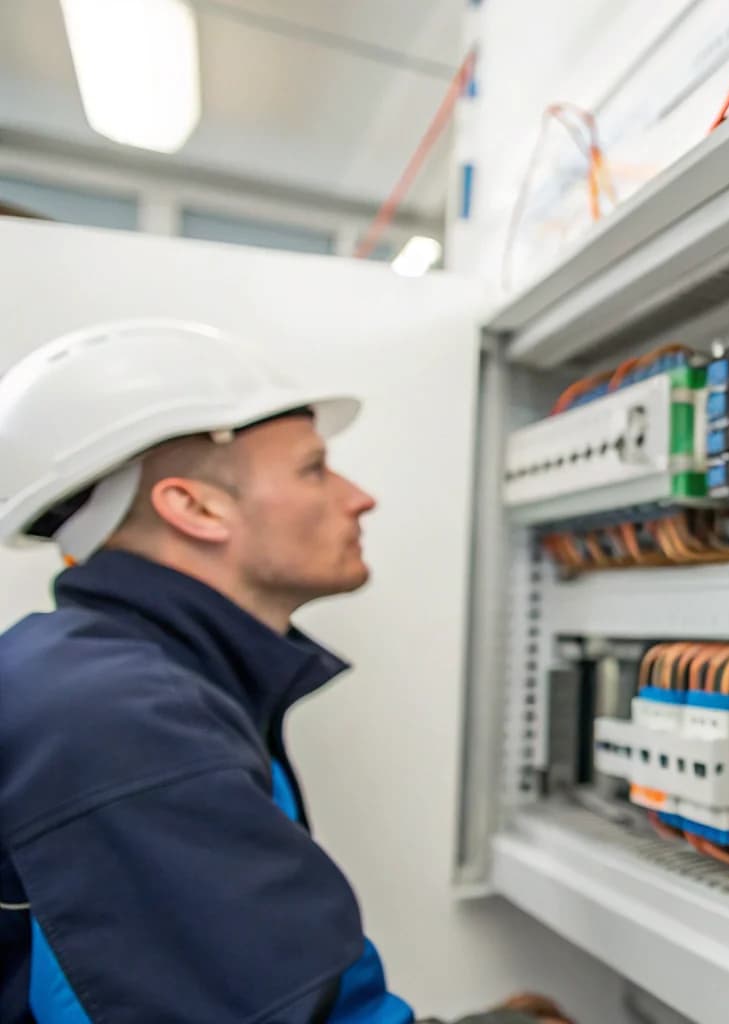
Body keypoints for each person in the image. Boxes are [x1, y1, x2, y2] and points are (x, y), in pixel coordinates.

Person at [0, 321, 570, 1024]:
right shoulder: (122, 718)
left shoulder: (128, 678)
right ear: (194, 507)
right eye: (314, 468)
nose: (359, 496)